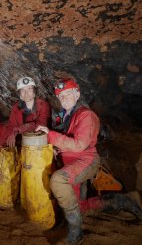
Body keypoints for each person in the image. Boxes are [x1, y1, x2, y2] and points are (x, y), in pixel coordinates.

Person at [36, 78, 142, 244]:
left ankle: (75, 234)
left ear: (77, 94)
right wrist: (57, 148)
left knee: (58, 180)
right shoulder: (65, 117)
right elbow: (67, 140)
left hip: (85, 162)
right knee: (79, 205)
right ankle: (121, 200)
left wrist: (50, 135)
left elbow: (79, 145)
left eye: (68, 94)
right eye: (61, 96)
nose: (64, 98)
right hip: (70, 163)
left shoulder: (86, 115)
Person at [0, 76, 50, 149]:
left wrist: (18, 129)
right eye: (23, 90)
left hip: (40, 143)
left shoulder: (43, 105)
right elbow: (11, 126)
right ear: (20, 94)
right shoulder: (16, 107)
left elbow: (40, 124)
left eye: (29, 89)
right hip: (23, 144)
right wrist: (2, 145)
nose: (26, 93)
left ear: (34, 92)